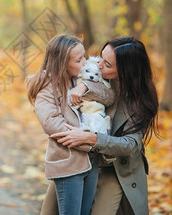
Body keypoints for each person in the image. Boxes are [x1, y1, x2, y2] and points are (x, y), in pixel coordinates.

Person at [41, 36, 160, 215]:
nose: (99, 64)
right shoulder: (92, 73)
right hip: (79, 159)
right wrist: (85, 87)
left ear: (126, 71)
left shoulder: (139, 100)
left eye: (108, 64)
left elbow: (130, 145)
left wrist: (92, 139)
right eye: (101, 57)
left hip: (115, 168)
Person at [27, 34, 115, 215]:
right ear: (62, 63)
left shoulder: (80, 78)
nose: (85, 63)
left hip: (90, 160)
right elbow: (51, 123)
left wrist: (85, 88)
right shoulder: (47, 85)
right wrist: (88, 141)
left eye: (84, 56)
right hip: (68, 162)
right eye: (78, 60)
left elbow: (109, 96)